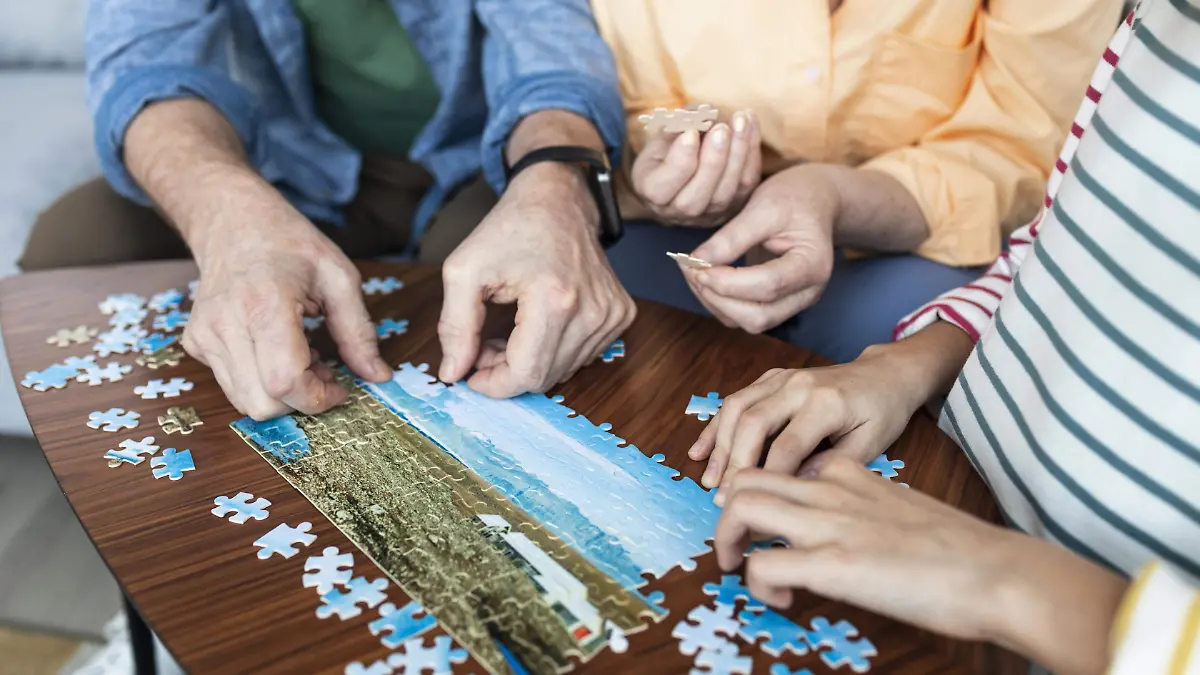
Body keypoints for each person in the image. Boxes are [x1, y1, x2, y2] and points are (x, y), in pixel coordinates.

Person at [691, 3, 1199, 672]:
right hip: (937, 498)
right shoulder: (1158, 16)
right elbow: (1049, 248)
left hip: (1031, 612)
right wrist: (903, 367)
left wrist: (1002, 577)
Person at [20, 0, 636, 419]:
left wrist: (557, 187)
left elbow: (552, 54)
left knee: (491, 328)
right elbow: (144, 68)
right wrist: (226, 218)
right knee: (71, 249)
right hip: (283, 169)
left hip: (477, 164)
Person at [593, 0, 1123, 362]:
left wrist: (834, 198)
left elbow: (1015, 147)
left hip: (903, 243)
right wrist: (670, 158)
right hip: (660, 233)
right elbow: (623, 100)